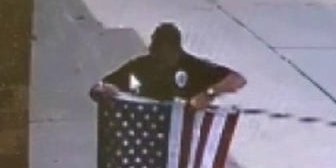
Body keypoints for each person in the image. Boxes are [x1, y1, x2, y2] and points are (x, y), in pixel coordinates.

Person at [89, 22, 246, 109]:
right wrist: (106, 91)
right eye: (153, 48)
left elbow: (236, 79)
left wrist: (208, 93)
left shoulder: (193, 67)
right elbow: (99, 87)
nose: (154, 54)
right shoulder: (141, 66)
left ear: (175, 49)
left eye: (160, 50)